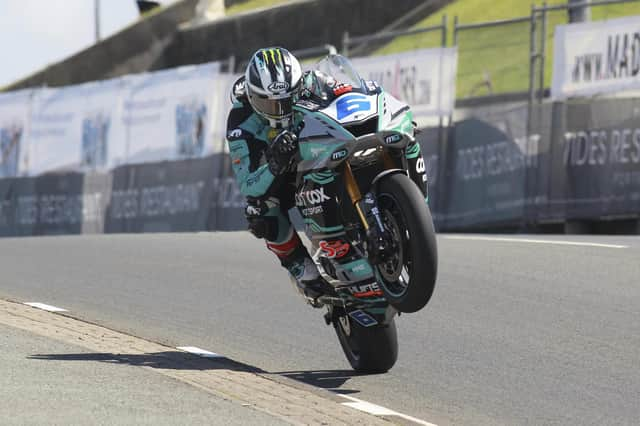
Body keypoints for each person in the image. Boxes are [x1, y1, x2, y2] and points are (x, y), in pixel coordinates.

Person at [225, 47, 427, 301]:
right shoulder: (240, 122)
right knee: (259, 211)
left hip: (316, 151)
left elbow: (350, 94)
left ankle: (413, 212)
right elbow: (248, 184)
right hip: (280, 175)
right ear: (254, 97)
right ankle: (302, 270)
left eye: (288, 99)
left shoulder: (310, 82)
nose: (280, 108)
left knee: (408, 138)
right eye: (270, 103)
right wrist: (275, 163)